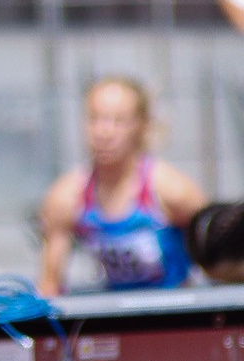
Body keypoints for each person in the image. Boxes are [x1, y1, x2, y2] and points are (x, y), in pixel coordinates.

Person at [38, 77, 205, 294]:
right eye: (95, 119)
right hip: (116, 308)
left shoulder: (173, 191)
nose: (104, 133)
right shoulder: (66, 197)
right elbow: (50, 284)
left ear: (142, 126)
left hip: (174, 308)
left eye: (119, 121)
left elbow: (221, 257)